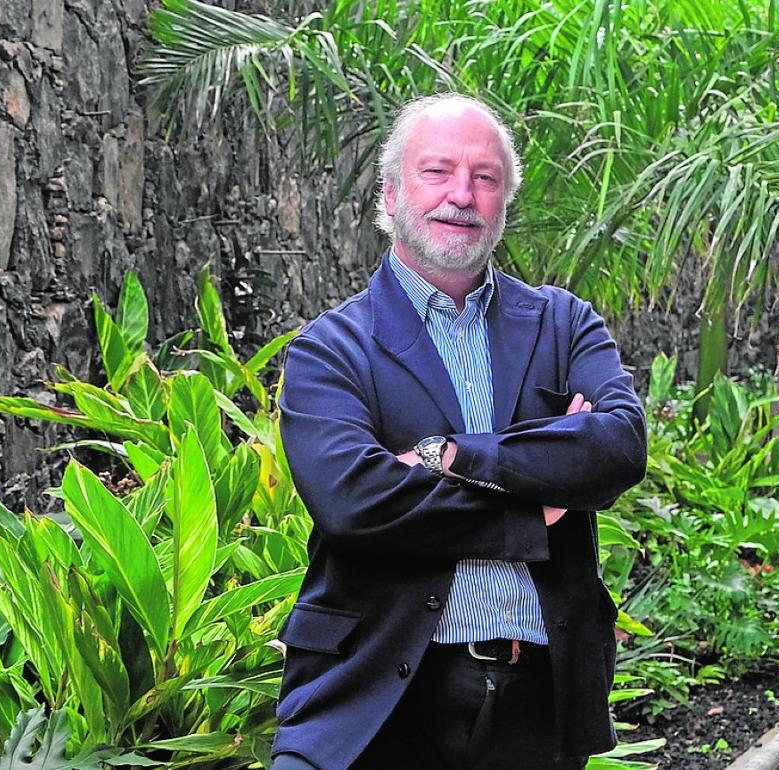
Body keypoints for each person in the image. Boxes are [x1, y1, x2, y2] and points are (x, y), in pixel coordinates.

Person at [270, 93, 647, 770]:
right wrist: (534, 504)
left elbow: (618, 446)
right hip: (373, 701)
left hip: (538, 703)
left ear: (505, 201)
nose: (462, 195)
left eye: (485, 177)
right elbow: (355, 500)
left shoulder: (564, 325)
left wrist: (449, 455)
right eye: (438, 171)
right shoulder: (330, 349)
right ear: (392, 194)